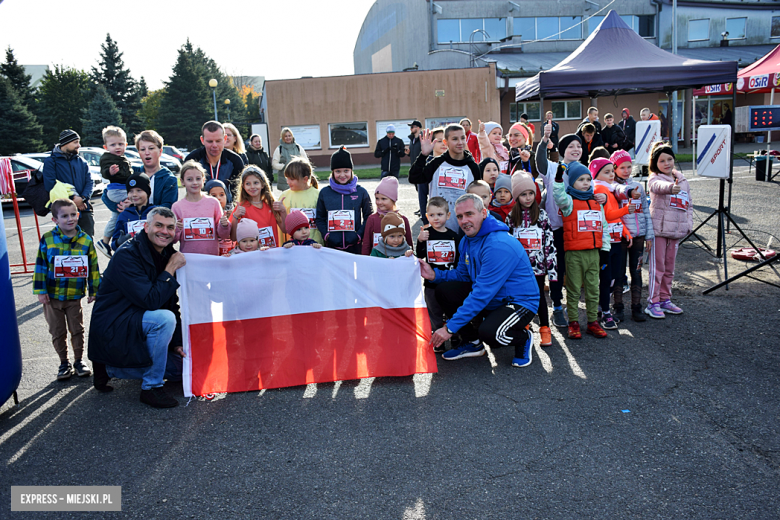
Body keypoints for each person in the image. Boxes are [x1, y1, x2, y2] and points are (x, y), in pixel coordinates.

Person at [420, 194, 539, 368]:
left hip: (519, 302)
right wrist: (435, 276)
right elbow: (463, 275)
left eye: (469, 214)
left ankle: (523, 337)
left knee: (491, 334)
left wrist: (448, 329)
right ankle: (472, 343)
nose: (464, 220)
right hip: (493, 299)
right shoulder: (467, 241)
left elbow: (481, 294)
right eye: (460, 216)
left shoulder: (498, 244)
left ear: (484, 213)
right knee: (444, 290)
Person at [88, 207, 187, 408]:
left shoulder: (165, 252)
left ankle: (110, 369)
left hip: (137, 320)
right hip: (116, 324)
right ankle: (150, 386)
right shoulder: (128, 255)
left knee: (179, 370)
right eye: (158, 225)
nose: (164, 231)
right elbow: (150, 300)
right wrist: (170, 269)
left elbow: (170, 302)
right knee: (164, 320)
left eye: (170, 227)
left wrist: (177, 342)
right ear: (146, 226)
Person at [33, 198, 100, 381]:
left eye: (73, 214)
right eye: (64, 216)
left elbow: (93, 266)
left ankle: (79, 361)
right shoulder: (48, 239)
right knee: (57, 331)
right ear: (55, 219)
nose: (70, 219)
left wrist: (94, 290)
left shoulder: (85, 240)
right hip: (52, 296)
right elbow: (40, 265)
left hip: (74, 295)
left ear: (78, 215)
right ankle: (64, 363)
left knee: (77, 329)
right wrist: (41, 290)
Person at [552, 161, 610, 339]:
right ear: (572, 183)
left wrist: (605, 250)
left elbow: (604, 227)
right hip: (574, 254)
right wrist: (558, 179)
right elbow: (559, 195)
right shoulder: (569, 202)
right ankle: (574, 322)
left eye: (588, 179)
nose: (586, 183)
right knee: (574, 289)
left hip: (593, 253)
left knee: (593, 289)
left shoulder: (596, 202)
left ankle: (593, 322)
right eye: (580, 180)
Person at [505, 171, 557, 347]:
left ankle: (545, 329)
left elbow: (549, 243)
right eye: (523, 194)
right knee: (520, 298)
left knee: (539, 297)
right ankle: (524, 327)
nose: (527, 198)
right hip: (518, 268)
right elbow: (507, 246)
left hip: (538, 267)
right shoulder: (511, 218)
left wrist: (552, 269)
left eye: (530, 193)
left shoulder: (541, 216)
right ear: (516, 196)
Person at [591, 158, 639, 330]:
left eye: (612, 171)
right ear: (596, 174)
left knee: (614, 277)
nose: (612, 175)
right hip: (606, 242)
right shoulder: (600, 189)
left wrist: (626, 232)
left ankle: (600, 306)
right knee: (607, 278)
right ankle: (602, 309)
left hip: (617, 240)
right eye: (607, 172)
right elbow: (610, 215)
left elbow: (616, 218)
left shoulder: (610, 189)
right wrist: (627, 209)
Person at [646, 142, 691, 319]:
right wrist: (670, 188)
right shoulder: (654, 179)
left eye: (670, 159)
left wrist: (689, 224)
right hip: (659, 231)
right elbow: (656, 187)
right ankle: (653, 302)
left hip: (676, 231)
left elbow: (689, 205)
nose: (667, 163)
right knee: (657, 268)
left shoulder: (682, 179)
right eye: (662, 160)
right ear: (655, 163)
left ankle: (665, 299)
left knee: (669, 268)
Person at [408, 124, 481, 232]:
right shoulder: (436, 164)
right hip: (439, 229)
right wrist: (423, 155)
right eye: (455, 139)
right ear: (446, 142)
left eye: (462, 138)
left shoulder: (473, 167)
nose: (460, 142)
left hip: (465, 229)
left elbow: (478, 197)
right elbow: (414, 178)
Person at [611, 150, 654, 322]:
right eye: (622, 167)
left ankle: (637, 308)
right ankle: (618, 308)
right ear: (614, 168)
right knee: (619, 273)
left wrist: (649, 236)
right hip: (621, 238)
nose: (627, 170)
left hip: (639, 237)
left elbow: (645, 211)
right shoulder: (613, 188)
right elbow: (621, 194)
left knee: (636, 272)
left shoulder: (639, 186)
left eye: (629, 166)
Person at [416, 197, 459, 341]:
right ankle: (436, 338)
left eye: (440, 214)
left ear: (448, 215)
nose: (436, 218)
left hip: (449, 282)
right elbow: (420, 255)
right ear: (427, 216)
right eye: (432, 215)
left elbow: (458, 260)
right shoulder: (426, 234)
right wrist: (420, 240)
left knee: (451, 310)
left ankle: (454, 337)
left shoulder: (453, 236)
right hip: (431, 284)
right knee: (434, 311)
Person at [315, 147, 373, 254]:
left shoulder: (361, 192)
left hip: (355, 246)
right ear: (332, 172)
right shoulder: (325, 192)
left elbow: (369, 217)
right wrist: (327, 236)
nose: (342, 175)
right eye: (338, 171)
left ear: (351, 171)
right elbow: (319, 218)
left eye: (346, 170)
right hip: (332, 247)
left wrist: (358, 235)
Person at [172, 161, 231, 256]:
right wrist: (176, 229)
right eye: (189, 179)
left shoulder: (213, 203)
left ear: (203, 180)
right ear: (182, 182)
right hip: (188, 259)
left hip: (212, 258)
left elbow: (223, 235)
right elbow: (173, 240)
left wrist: (224, 225)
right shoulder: (177, 207)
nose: (195, 182)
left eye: (198, 179)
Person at [42, 130, 94, 236]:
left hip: (84, 208)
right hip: (64, 212)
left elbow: (90, 182)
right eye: (75, 142)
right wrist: (72, 201)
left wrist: (83, 198)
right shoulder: (51, 162)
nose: (78, 145)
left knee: (87, 243)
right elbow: (50, 186)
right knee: (67, 244)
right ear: (65, 143)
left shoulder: (82, 161)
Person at [95, 126, 133, 258]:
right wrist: (109, 172)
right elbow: (104, 171)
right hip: (116, 190)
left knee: (116, 217)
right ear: (105, 147)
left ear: (126, 145)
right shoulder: (108, 158)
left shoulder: (123, 158)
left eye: (121, 144)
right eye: (113, 144)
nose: (117, 147)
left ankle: (106, 241)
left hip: (121, 189)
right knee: (137, 200)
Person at [184, 121, 245, 200]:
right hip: (199, 207)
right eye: (210, 141)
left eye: (218, 141)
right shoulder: (192, 159)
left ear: (225, 139)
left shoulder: (235, 160)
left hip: (227, 208)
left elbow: (239, 191)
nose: (214, 145)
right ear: (202, 140)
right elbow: (189, 190)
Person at [230, 165, 287, 247]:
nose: (252, 187)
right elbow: (233, 237)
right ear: (243, 186)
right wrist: (235, 216)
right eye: (248, 184)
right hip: (250, 256)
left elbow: (285, 230)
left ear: (262, 185)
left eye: (256, 183)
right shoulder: (241, 208)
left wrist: (283, 211)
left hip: (271, 254)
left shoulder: (271, 205)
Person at [361, 176, 412, 255]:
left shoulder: (402, 219)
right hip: (377, 261)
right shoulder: (372, 219)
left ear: (393, 199)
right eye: (377, 198)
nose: (379, 202)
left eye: (383, 199)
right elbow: (366, 244)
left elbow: (409, 245)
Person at [279, 157, 322, 244]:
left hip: (315, 247)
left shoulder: (318, 195)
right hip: (292, 247)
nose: (287, 182)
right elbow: (282, 227)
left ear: (305, 179)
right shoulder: (284, 197)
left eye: (292, 179)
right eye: (287, 178)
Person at [410, 126, 447, 225]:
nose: (444, 143)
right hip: (435, 218)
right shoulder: (427, 166)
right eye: (439, 141)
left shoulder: (453, 164)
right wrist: (425, 220)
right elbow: (422, 195)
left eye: (445, 140)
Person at [112, 173, 157, 252]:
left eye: (139, 190)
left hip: (154, 258)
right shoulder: (124, 215)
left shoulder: (157, 212)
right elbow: (114, 244)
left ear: (148, 192)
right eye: (131, 191)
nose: (134, 194)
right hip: (131, 260)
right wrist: (118, 242)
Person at [135, 130, 178, 209]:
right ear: (139, 153)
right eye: (142, 149)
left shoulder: (169, 179)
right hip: (132, 220)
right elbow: (110, 193)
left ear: (160, 151)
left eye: (151, 148)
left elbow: (167, 208)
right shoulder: (133, 173)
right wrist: (121, 206)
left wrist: (140, 209)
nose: (147, 152)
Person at [205, 179, 235, 256]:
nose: (218, 198)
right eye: (213, 196)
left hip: (232, 255)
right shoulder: (204, 216)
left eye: (222, 195)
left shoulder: (234, 213)